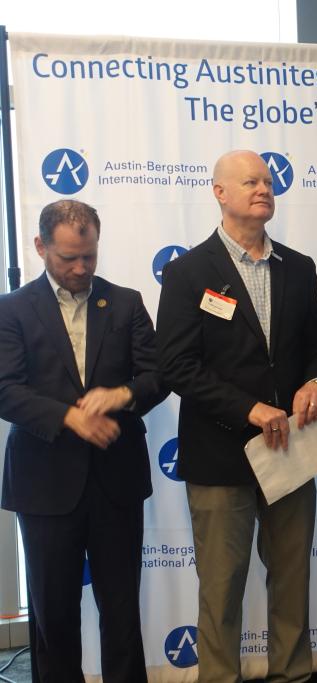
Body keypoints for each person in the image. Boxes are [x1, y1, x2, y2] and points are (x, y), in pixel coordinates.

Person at [156, 150, 317, 682]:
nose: (264, 188)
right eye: (250, 181)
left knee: (291, 581)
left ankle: (293, 676)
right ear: (220, 193)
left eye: (268, 180)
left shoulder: (299, 268)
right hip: (218, 456)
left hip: (291, 452)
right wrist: (247, 408)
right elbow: (176, 367)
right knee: (221, 588)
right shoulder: (188, 272)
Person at [0, 199, 167, 682]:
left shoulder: (126, 301)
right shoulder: (12, 310)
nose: (79, 268)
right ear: (40, 247)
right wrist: (69, 418)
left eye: (88, 256)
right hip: (44, 484)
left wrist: (122, 393)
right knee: (53, 615)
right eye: (67, 257)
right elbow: (6, 389)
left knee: (121, 609)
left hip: (115, 480)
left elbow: (157, 375)